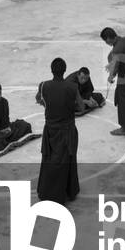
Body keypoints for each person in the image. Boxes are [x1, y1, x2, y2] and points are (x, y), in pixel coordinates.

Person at [35, 57, 79, 204]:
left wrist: (49, 106)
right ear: (64, 70)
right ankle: (68, 192)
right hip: (67, 130)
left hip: (51, 131)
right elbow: (81, 107)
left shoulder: (44, 86)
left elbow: (39, 100)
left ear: (52, 70)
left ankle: (47, 191)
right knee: (67, 161)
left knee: (49, 160)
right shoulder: (72, 87)